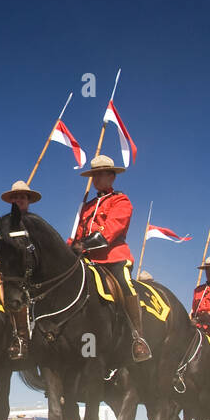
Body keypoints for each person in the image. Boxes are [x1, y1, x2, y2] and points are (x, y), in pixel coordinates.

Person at [69, 155, 150, 362]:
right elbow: (77, 235)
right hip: (87, 261)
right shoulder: (86, 206)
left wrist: (85, 244)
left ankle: (138, 338)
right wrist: (69, 247)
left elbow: (112, 230)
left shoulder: (121, 201)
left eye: (100, 174)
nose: (96, 178)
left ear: (111, 176)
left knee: (126, 285)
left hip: (113, 258)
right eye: (94, 174)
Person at [0, 181, 42, 360]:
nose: (19, 200)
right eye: (15, 197)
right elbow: (1, 247)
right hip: (13, 268)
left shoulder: (34, 222)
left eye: (22, 197)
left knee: (124, 282)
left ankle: (22, 338)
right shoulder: (6, 223)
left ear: (28, 200)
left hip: (33, 268)